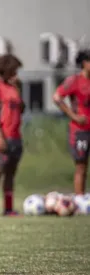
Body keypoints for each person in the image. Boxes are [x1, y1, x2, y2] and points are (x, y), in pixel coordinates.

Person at [0, 54, 25, 217]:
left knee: (11, 172)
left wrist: (19, 89)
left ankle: (8, 208)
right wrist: (0, 136)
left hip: (16, 135)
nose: (16, 73)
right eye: (14, 70)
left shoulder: (13, 87)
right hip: (2, 135)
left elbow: (22, 109)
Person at [53, 49, 90, 198]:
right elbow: (57, 97)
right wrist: (74, 116)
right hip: (80, 130)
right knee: (81, 166)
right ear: (84, 63)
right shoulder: (74, 81)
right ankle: (80, 199)